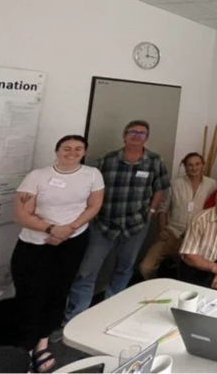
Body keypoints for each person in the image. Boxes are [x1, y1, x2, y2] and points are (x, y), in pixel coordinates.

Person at [10, 135, 104, 372]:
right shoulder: (38, 176)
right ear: (57, 151)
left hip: (72, 243)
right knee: (30, 294)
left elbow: (93, 206)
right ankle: (25, 348)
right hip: (34, 246)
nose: (72, 152)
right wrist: (51, 228)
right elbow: (21, 215)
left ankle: (42, 343)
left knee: (57, 293)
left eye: (78, 149)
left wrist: (67, 230)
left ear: (84, 152)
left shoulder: (92, 174)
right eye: (66, 148)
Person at [65, 120, 170, 323]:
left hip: (136, 226)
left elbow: (160, 188)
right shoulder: (107, 160)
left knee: (124, 269)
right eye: (133, 132)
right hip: (104, 225)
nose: (137, 136)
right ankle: (74, 317)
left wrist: (151, 211)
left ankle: (111, 312)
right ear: (124, 135)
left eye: (142, 134)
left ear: (146, 138)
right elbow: (90, 187)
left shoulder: (155, 161)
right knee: (86, 271)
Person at [139, 153, 216, 280]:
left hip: (195, 237)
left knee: (192, 273)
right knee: (146, 267)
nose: (194, 168)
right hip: (172, 233)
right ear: (185, 167)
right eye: (190, 165)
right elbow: (163, 209)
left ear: (202, 165)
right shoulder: (174, 184)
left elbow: (212, 210)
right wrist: (162, 229)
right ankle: (154, 287)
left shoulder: (211, 184)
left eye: (197, 164)